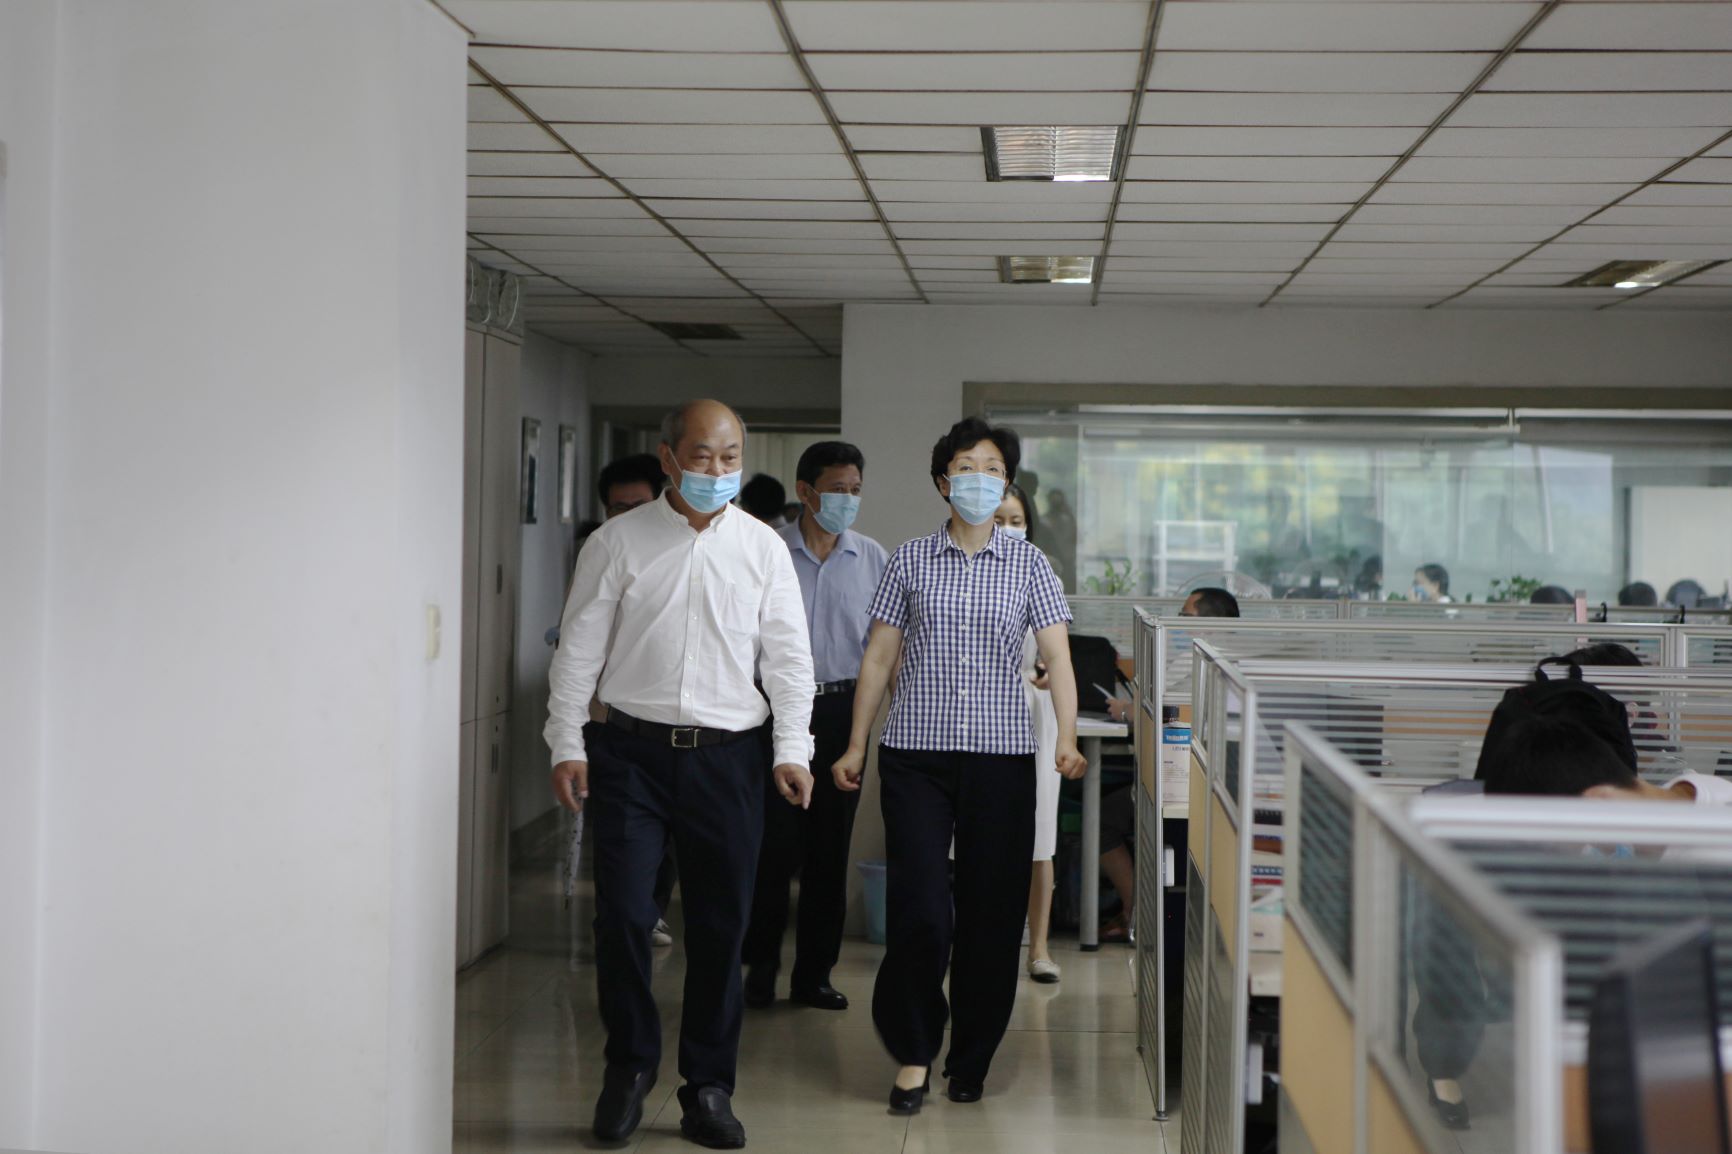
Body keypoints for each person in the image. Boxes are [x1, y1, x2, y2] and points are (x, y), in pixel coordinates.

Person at [546, 400, 816, 1149]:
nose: (717, 471)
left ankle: (708, 1087)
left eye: (730, 457)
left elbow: (788, 659)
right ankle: (629, 1065)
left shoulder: (763, 548)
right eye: (702, 456)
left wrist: (793, 750)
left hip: (729, 759)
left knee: (722, 927)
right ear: (668, 458)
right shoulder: (616, 542)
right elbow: (578, 651)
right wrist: (565, 742)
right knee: (625, 916)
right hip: (629, 755)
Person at [833, 417, 1086, 1114]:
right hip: (916, 756)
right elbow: (879, 657)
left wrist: (1066, 737)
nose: (980, 479)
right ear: (944, 482)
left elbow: (1059, 657)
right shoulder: (910, 560)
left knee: (991, 915)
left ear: (1008, 483)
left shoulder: (1030, 565)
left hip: (1001, 760)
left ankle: (971, 1057)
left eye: (993, 468)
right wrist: (856, 744)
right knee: (920, 911)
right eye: (967, 467)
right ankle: (915, 1051)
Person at [743, 441, 889, 1012]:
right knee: (770, 849)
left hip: (842, 713)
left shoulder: (873, 558)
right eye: (836, 490)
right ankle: (759, 969)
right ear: (805, 492)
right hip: (773, 711)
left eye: (855, 490)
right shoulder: (768, 550)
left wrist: (869, 730)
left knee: (830, 849)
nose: (847, 500)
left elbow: (883, 649)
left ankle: (814, 976)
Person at [589, 453, 680, 948]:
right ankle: (624, 917)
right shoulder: (600, 552)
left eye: (637, 505)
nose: (625, 516)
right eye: (616, 508)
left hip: (674, 725)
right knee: (621, 837)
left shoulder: (679, 556)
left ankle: (653, 911)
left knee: (667, 836)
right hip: (609, 722)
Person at [994, 485, 1062, 984]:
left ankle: (1038, 948)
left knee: (1040, 835)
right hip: (979, 708)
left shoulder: (1041, 573)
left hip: (1033, 710)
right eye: (999, 520)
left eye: (1016, 521)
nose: (1008, 529)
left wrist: (1046, 670)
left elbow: (1056, 653)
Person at [1104, 586, 1238, 724]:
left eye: (1186, 615)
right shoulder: (1238, 661)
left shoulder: (1193, 659)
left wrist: (1124, 710)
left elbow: (1154, 709)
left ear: (1209, 623)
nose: (1180, 621)